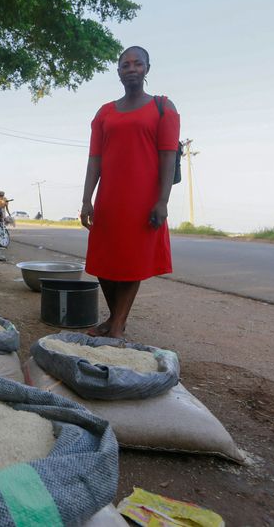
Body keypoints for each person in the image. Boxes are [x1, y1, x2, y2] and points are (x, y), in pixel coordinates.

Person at [80, 46, 180, 340]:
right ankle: (114, 321)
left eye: (138, 64)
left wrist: (162, 201)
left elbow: (168, 156)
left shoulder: (163, 107)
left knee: (132, 262)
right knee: (103, 261)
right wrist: (87, 199)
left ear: (147, 68)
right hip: (109, 197)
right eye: (126, 65)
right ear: (118, 71)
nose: (132, 68)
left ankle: (117, 327)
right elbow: (94, 158)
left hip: (143, 198)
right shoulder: (105, 112)